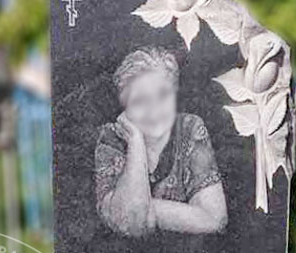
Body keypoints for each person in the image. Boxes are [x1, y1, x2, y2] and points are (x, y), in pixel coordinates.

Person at [95, 47, 228, 238]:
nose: (154, 110)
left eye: (163, 95)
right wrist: (136, 142)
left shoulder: (189, 127)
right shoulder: (112, 137)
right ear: (125, 106)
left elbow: (214, 219)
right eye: (140, 100)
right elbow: (130, 225)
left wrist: (144, 207)